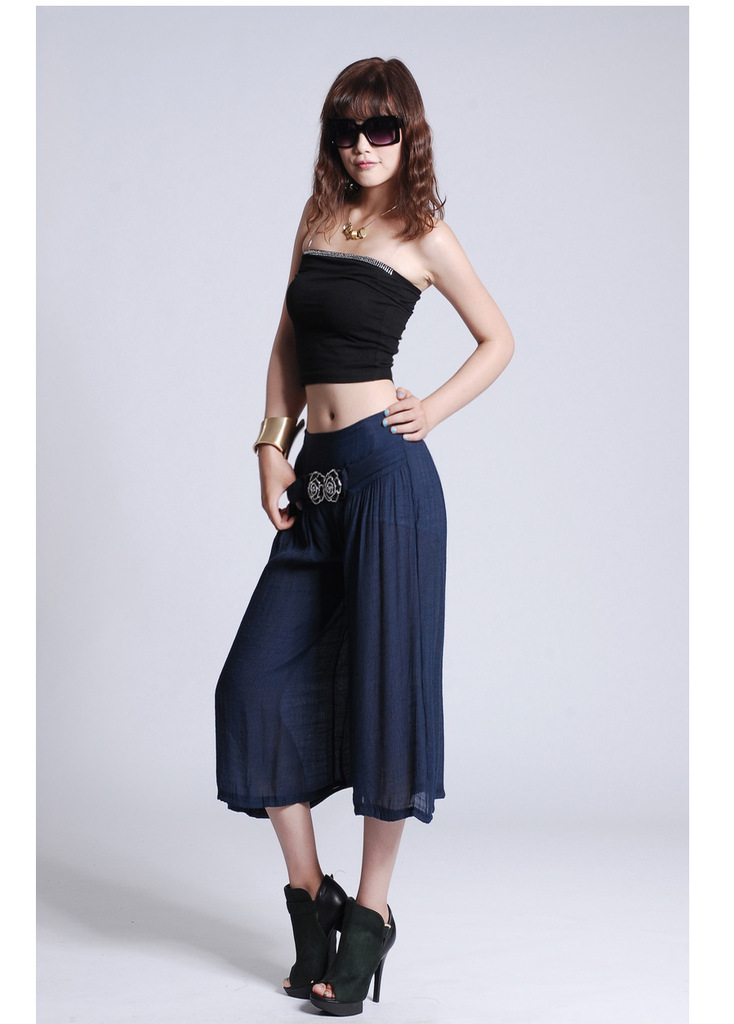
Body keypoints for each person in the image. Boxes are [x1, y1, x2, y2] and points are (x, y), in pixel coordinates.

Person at [215, 56, 514, 1016]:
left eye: (381, 128)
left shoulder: (423, 232)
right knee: (251, 687)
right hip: (319, 483)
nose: (363, 145)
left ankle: (372, 918)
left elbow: (499, 338)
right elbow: (288, 342)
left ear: (408, 134)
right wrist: (272, 445)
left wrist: (436, 409)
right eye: (347, 129)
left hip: (389, 485)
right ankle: (314, 900)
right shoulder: (318, 220)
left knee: (388, 695)